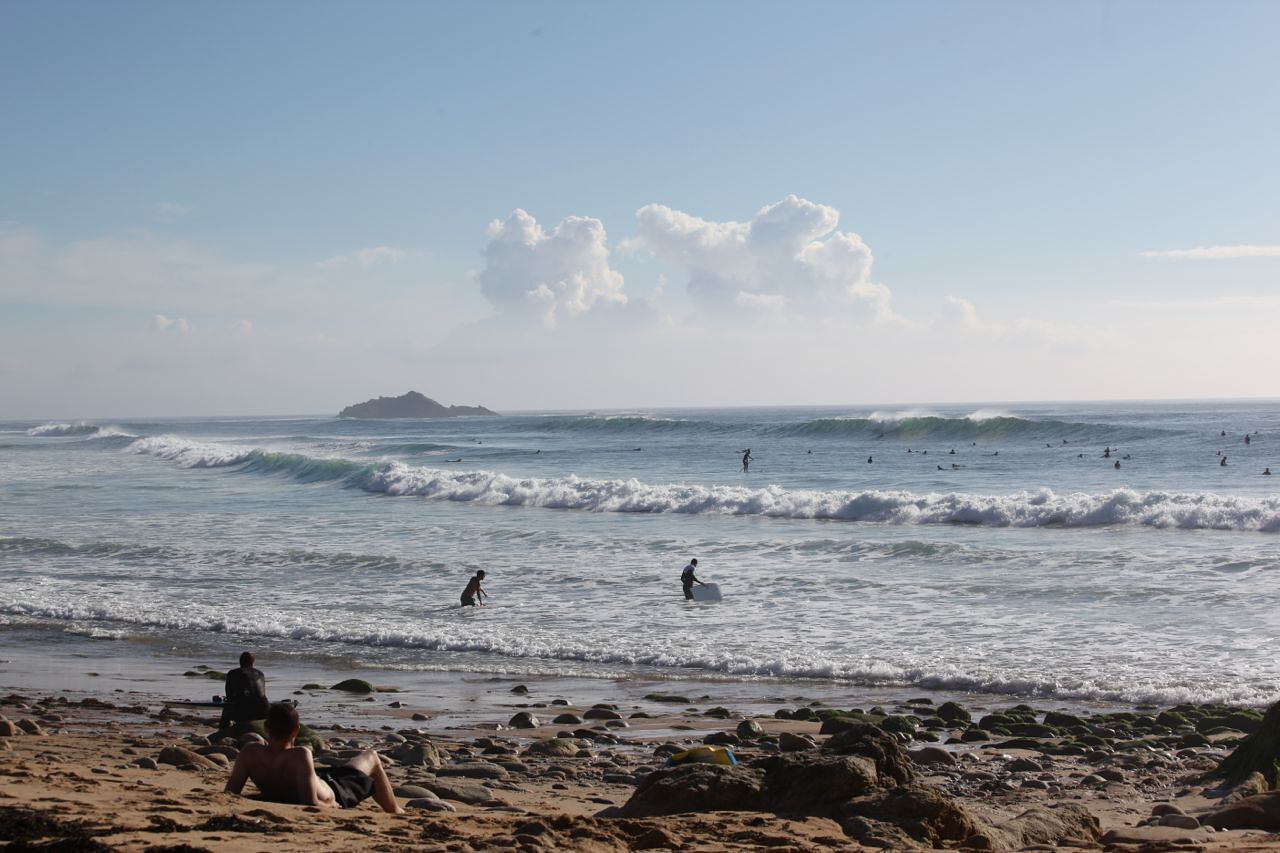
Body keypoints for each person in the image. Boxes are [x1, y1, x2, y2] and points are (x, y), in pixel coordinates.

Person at [226, 702, 403, 814]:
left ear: (266, 727)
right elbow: (309, 802)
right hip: (338, 790)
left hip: (319, 780)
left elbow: (231, 792)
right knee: (371, 756)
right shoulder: (300, 755)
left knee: (335, 771)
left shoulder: (250, 752)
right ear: (295, 731)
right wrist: (332, 805)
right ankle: (395, 810)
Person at [220, 652, 269, 729]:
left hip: (243, 713)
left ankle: (223, 731)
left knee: (227, 707)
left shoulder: (233, 673)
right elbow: (261, 694)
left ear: (240, 662)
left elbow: (229, 695)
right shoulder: (260, 673)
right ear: (253, 662)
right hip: (263, 711)